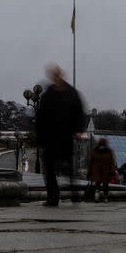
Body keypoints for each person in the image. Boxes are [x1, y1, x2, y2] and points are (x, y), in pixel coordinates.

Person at [35, 64, 86, 207]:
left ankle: (74, 194)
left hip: (65, 137)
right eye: (53, 75)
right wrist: (39, 137)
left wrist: (78, 129)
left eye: (57, 74)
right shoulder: (47, 95)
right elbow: (40, 117)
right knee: (49, 169)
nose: (55, 77)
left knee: (69, 168)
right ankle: (53, 197)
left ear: (60, 75)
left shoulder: (71, 93)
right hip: (50, 138)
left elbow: (79, 112)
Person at [87, 137, 117, 203]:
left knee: (99, 184)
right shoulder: (108, 152)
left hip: (98, 171)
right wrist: (112, 171)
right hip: (104, 171)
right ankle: (104, 197)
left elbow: (91, 163)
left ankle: (98, 196)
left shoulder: (95, 151)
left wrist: (89, 172)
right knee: (104, 185)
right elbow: (112, 162)